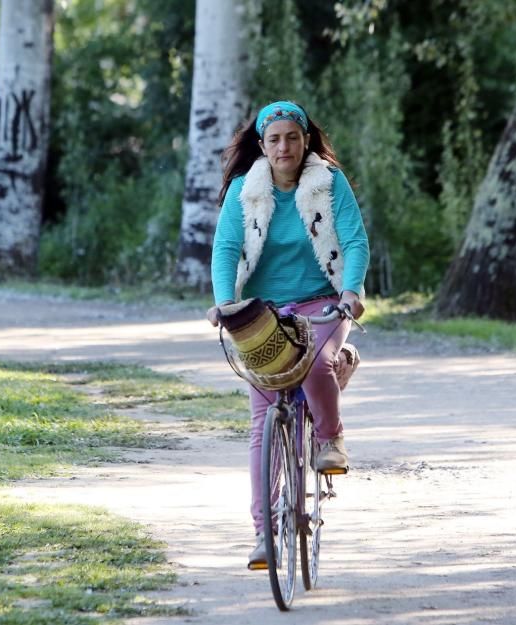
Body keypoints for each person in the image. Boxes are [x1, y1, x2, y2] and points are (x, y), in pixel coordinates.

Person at [205, 101, 370, 570]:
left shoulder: (329, 183)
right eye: (275, 139)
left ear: (305, 141)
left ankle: (330, 438)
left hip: (324, 300)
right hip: (263, 312)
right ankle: (263, 534)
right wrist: (224, 301)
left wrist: (351, 291)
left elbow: (355, 241)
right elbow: (226, 249)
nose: (284, 147)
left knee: (317, 362)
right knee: (262, 422)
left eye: (292, 138)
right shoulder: (245, 191)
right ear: (262, 145)